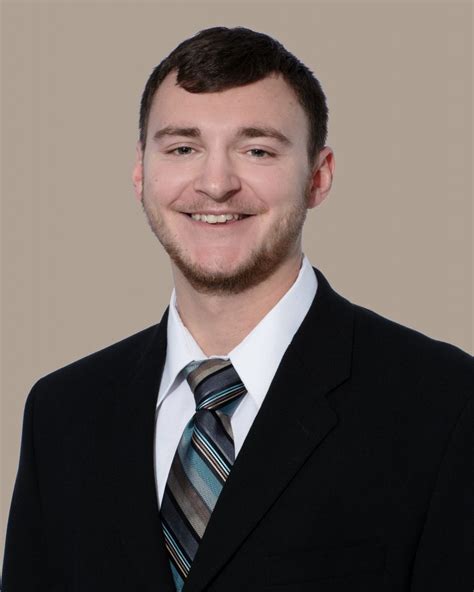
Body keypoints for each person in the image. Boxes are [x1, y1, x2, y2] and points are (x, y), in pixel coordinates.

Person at [2, 26, 473, 592]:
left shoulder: (446, 404)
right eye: (183, 148)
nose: (216, 184)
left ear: (318, 176)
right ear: (141, 173)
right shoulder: (61, 413)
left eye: (257, 151)